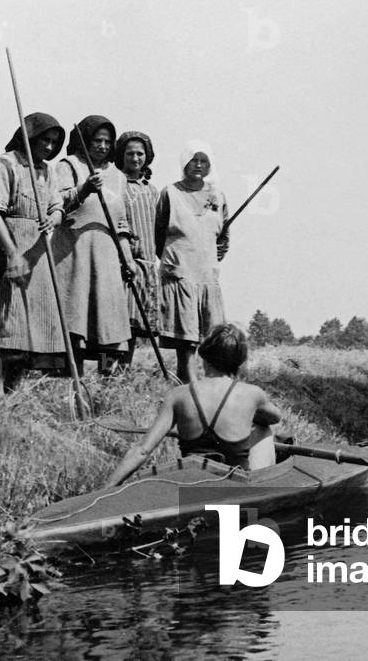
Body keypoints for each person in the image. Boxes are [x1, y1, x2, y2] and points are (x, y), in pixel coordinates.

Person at [106, 323, 281, 486]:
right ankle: (262, 488)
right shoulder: (252, 394)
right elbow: (275, 417)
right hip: (234, 483)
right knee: (263, 428)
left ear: (204, 357)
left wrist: (105, 489)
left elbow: (142, 451)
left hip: (192, 481)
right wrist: (248, 414)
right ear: (239, 363)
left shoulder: (178, 395)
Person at [0, 112, 67, 393]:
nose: (48, 147)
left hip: (36, 253)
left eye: (53, 142)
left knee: (26, 327)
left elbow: (57, 205)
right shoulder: (6, 164)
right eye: (43, 140)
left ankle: (11, 390)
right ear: (28, 136)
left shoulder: (46, 171)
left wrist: (55, 217)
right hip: (5, 248)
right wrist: (12, 253)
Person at [53, 115, 133, 375]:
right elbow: (57, 203)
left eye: (107, 142)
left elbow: (121, 223)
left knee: (107, 322)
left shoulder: (118, 177)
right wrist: (84, 188)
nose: (102, 146)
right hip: (75, 251)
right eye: (96, 140)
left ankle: (106, 380)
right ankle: (72, 378)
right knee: (76, 318)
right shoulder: (69, 165)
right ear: (84, 141)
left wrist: (127, 258)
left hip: (107, 254)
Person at [154, 140, 230, 382]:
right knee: (185, 343)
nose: (198, 165)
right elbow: (157, 235)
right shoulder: (170, 193)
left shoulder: (218, 196)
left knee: (211, 340)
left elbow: (223, 239)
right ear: (184, 163)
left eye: (204, 161)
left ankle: (211, 390)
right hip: (180, 275)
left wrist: (207, 259)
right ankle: (187, 393)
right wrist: (176, 261)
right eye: (193, 160)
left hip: (207, 277)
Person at [113, 130, 160, 370]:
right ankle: (106, 373)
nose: (135, 158)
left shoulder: (152, 191)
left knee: (135, 327)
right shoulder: (116, 184)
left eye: (140, 153)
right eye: (129, 153)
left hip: (148, 266)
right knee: (116, 327)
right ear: (121, 156)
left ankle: (123, 373)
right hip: (124, 264)